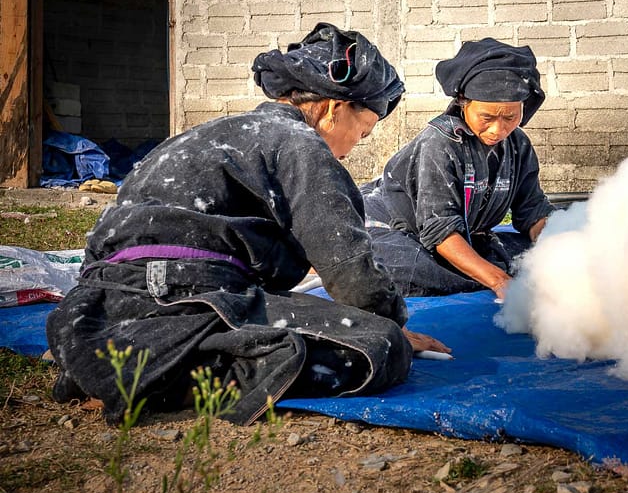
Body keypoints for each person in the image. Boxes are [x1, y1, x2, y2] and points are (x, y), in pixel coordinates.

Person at [46, 23, 449, 426]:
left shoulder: (203, 134)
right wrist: (390, 325)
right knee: (381, 348)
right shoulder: (299, 144)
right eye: (362, 131)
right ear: (333, 109)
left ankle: (118, 353)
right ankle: (159, 376)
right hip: (184, 294)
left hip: (100, 300)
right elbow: (351, 272)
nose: (355, 145)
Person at [361, 38, 555, 300]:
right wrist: (499, 281)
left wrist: (555, 251)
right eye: (487, 117)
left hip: (460, 237)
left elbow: (532, 211)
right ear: (464, 102)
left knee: (529, 258)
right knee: (407, 268)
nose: (498, 129)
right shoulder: (439, 144)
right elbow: (441, 232)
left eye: (510, 117)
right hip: (393, 231)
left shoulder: (518, 145)